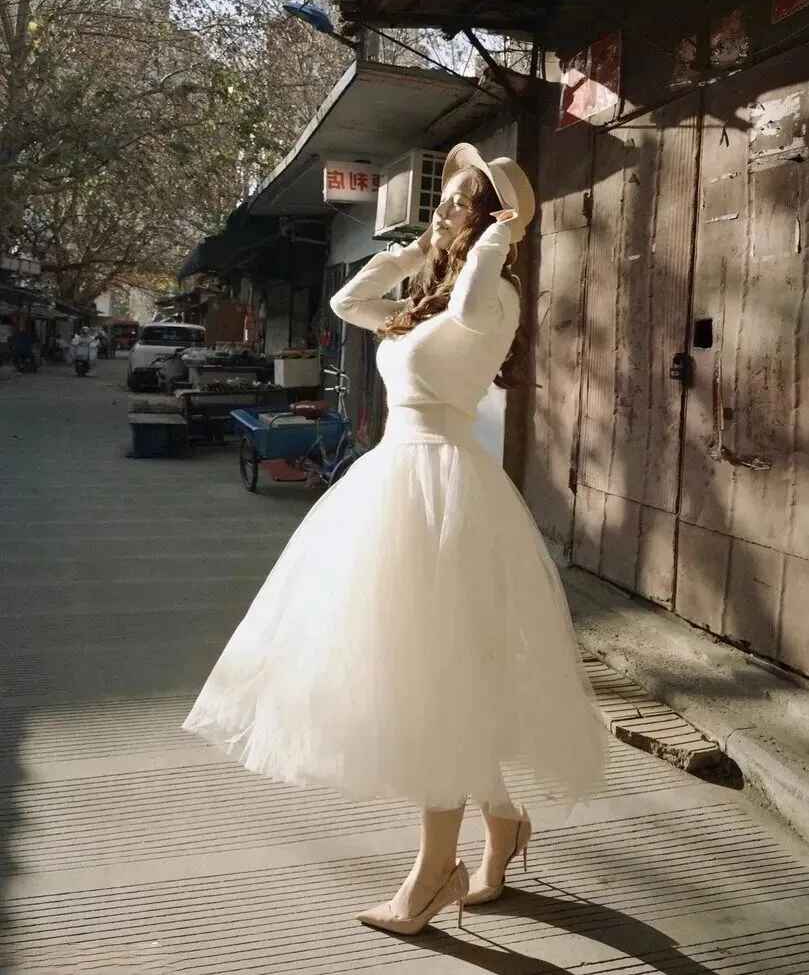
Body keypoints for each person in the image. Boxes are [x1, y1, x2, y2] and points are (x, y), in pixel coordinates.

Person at [183, 143, 607, 935]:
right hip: (392, 483)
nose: (440, 213)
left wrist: (500, 234)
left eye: (456, 203)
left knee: (441, 675)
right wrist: (410, 255)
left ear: (492, 220)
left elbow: (475, 294)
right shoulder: (425, 301)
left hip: (447, 491)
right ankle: (502, 821)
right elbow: (348, 302)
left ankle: (433, 872)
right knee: (422, 672)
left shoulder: (492, 294)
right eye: (440, 200)